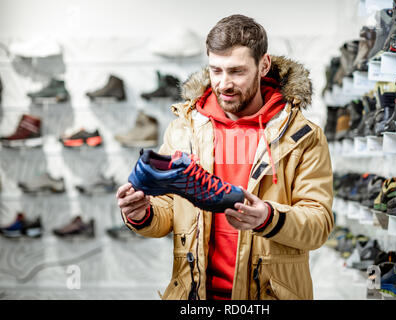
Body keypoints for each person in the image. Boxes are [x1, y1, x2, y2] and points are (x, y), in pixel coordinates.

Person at [116, 14, 333, 300]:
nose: (224, 83)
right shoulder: (185, 128)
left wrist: (267, 217)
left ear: (263, 65)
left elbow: (318, 225)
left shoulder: (301, 135)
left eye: (236, 71)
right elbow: (169, 211)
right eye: (216, 71)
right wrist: (142, 214)